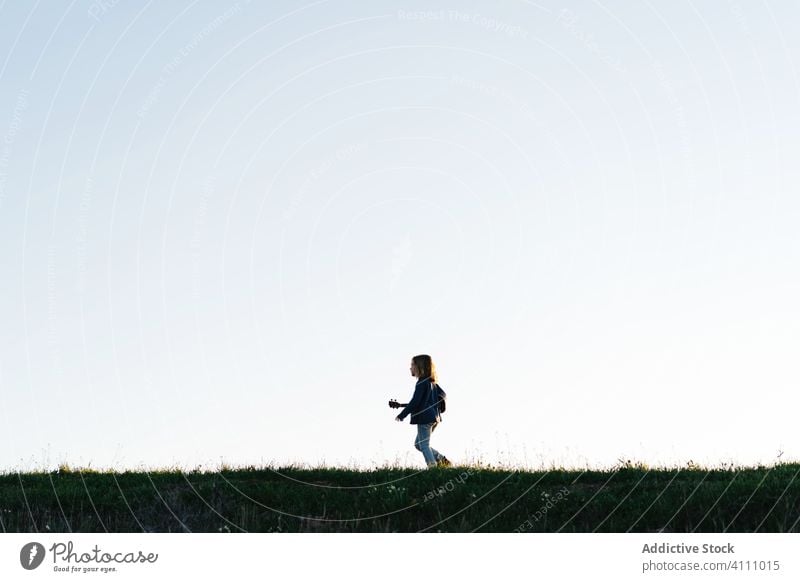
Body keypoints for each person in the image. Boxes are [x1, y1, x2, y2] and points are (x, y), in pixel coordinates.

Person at [393, 354, 451, 468]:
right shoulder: (432, 383)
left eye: (412, 364)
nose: (410, 368)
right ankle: (442, 459)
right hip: (435, 418)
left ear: (420, 366)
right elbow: (425, 401)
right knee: (418, 444)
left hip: (425, 418)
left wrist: (402, 415)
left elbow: (415, 402)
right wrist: (401, 405)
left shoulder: (421, 383)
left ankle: (433, 467)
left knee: (424, 445)